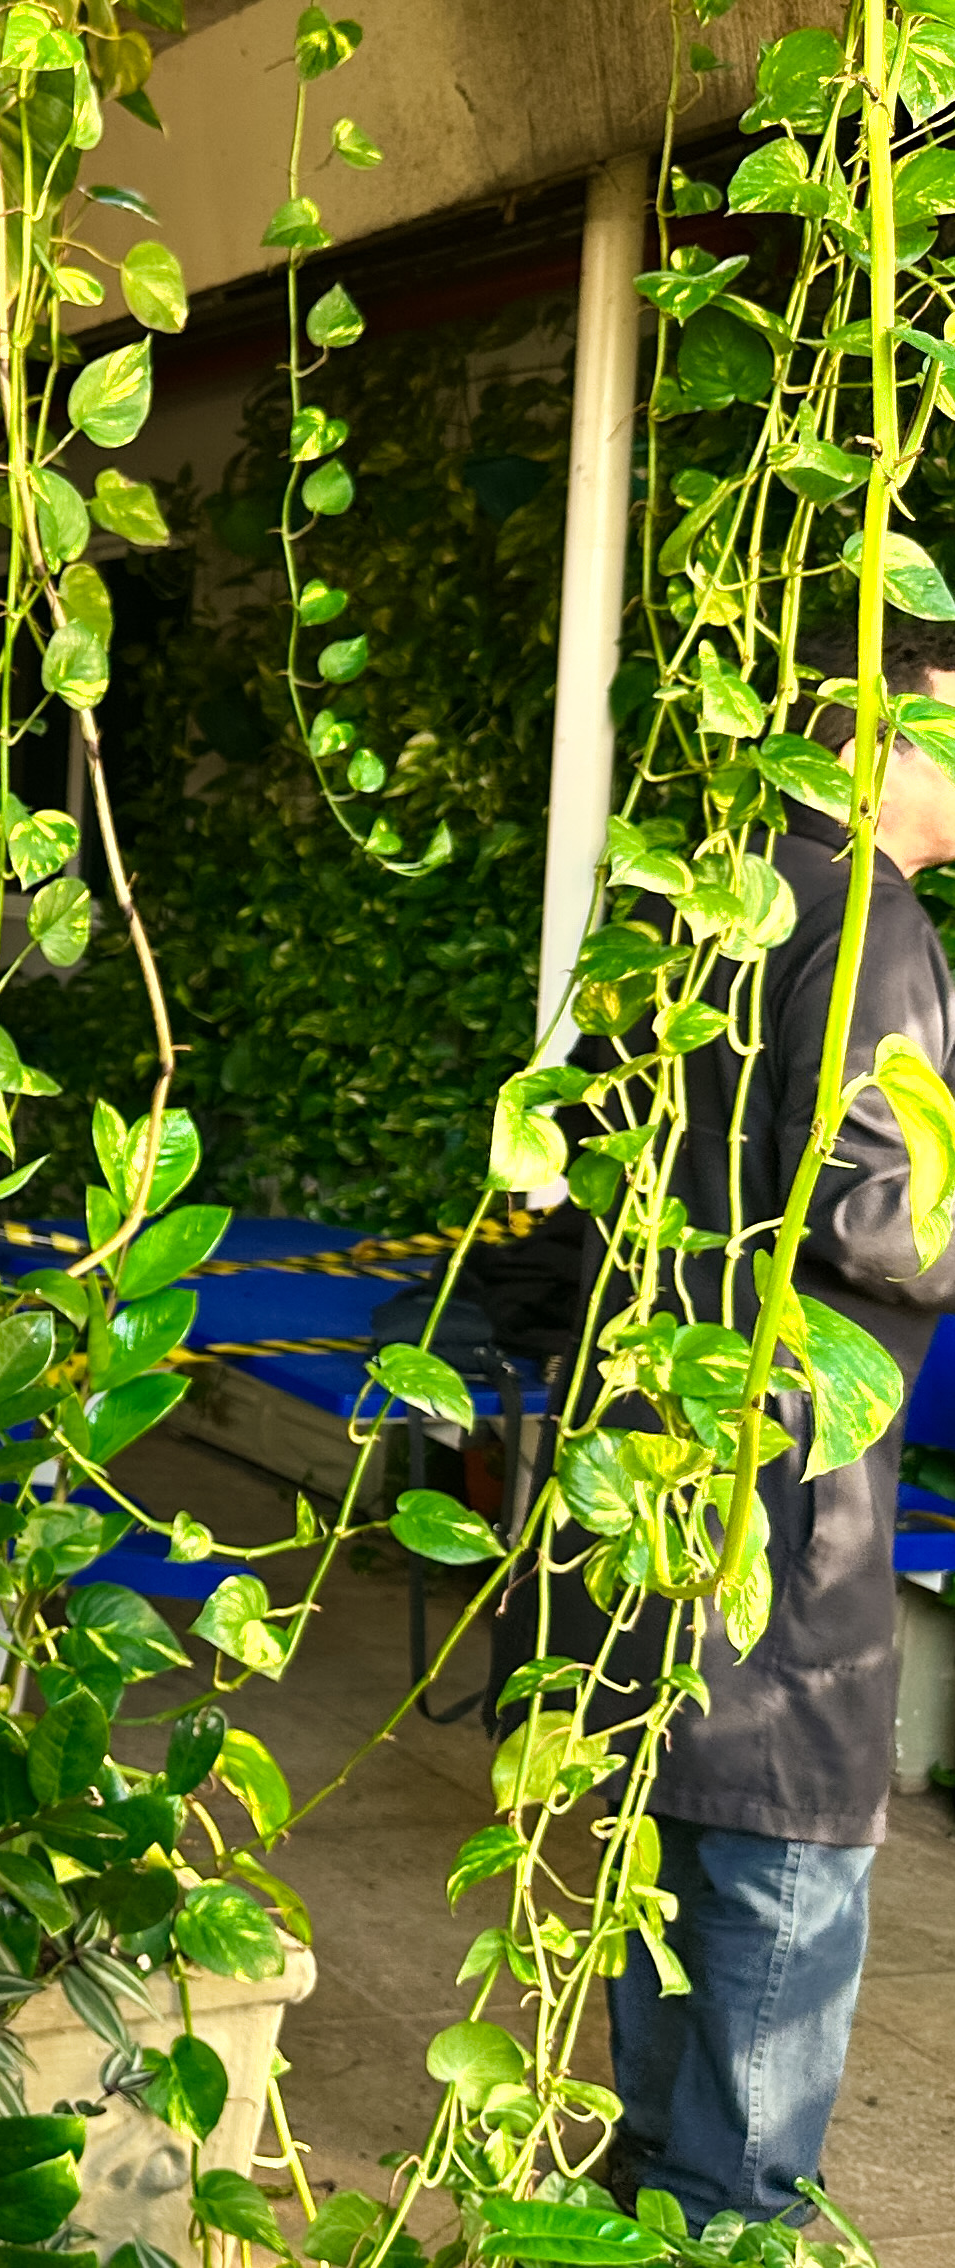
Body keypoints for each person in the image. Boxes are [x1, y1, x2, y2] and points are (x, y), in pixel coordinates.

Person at [550, 610, 955, 2225]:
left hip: (665, 1454)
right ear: (886, 733)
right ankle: (722, 2226)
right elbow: (877, 1213)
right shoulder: (870, 920)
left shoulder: (707, 903)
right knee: (783, 1847)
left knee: (672, 1827)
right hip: (787, 1480)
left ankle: (650, 2206)